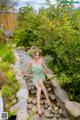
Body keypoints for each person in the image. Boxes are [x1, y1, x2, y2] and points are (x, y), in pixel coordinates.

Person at [22, 49, 52, 116]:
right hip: (35, 77)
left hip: (41, 76)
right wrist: (23, 73)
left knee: (41, 83)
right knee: (39, 88)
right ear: (33, 55)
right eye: (36, 55)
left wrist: (48, 72)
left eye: (38, 55)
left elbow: (45, 68)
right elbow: (27, 69)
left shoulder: (41, 60)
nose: (37, 57)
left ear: (39, 56)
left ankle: (47, 98)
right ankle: (39, 107)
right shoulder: (31, 62)